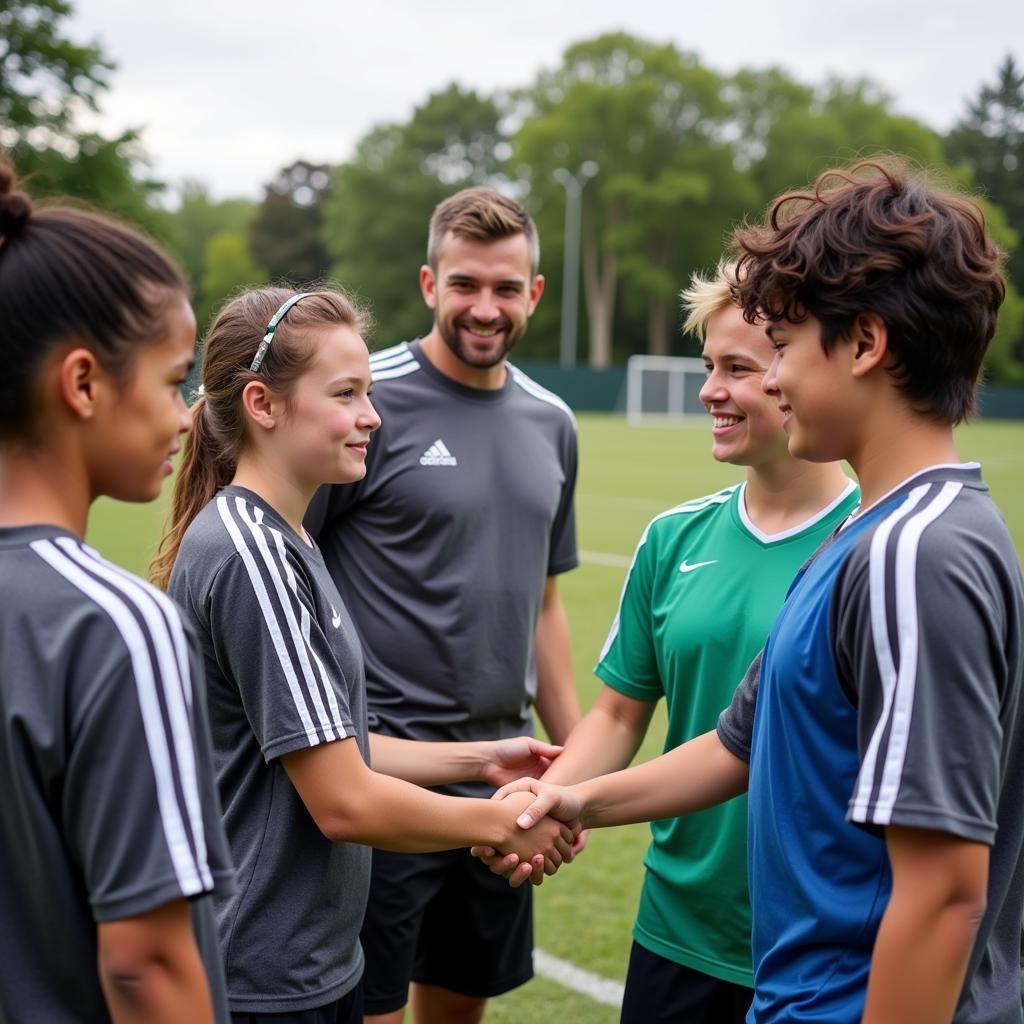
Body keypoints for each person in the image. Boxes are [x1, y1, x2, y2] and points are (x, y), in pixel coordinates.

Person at [490, 160, 1024, 1024]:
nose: (769, 380)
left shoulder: (913, 554)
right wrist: (575, 797)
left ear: (866, 344)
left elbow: (942, 896)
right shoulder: (872, 539)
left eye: (787, 344)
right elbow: (739, 744)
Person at [153, 285, 577, 1024]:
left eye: (370, 392)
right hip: (268, 978)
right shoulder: (255, 557)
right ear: (263, 404)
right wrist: (502, 823)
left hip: (311, 962)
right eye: (346, 394)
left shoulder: (288, 537)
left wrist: (480, 763)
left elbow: (332, 750)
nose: (371, 417)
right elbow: (344, 802)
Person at [493, 262, 858, 1023]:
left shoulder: (870, 545)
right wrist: (542, 809)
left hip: (817, 943)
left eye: (738, 369)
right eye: (707, 368)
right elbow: (620, 715)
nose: (709, 392)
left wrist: (567, 805)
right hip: (676, 933)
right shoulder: (673, 538)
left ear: (797, 372)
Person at [305, 187, 580, 1024]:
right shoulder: (364, 406)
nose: (484, 307)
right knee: (371, 1011)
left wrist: (572, 767)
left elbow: (545, 608)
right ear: (429, 284)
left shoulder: (554, 422)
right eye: (465, 284)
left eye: (505, 288)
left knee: (460, 1010)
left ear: (534, 293)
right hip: (382, 779)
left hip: (504, 784)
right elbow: (288, 574)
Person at [0, 161, 235, 1021]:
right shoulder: (115, 626)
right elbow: (145, 965)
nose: (186, 416)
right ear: (85, 383)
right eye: (176, 380)